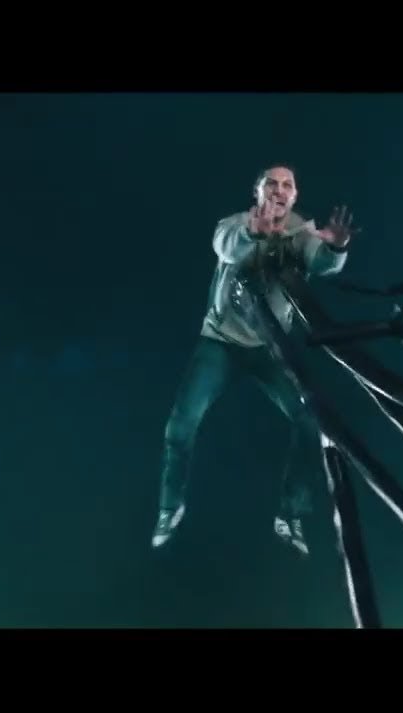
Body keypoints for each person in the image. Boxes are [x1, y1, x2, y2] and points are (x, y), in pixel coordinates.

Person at [152, 165, 357, 555]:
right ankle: (169, 507)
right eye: (271, 184)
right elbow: (226, 246)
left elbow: (321, 262)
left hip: (269, 348)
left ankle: (291, 514)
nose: (279, 190)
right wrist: (253, 232)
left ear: (294, 195)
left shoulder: (302, 232)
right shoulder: (234, 224)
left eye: (287, 185)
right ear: (258, 192)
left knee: (310, 421)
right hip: (221, 341)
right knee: (180, 424)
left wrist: (337, 248)